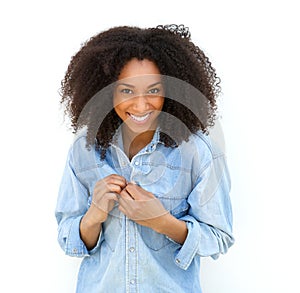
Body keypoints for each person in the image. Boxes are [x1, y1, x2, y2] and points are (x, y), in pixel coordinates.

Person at [55, 24, 234, 293]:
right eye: (126, 91)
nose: (141, 106)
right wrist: (94, 215)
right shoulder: (85, 149)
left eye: (153, 90)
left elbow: (220, 236)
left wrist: (163, 222)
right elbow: (68, 236)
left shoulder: (198, 151)